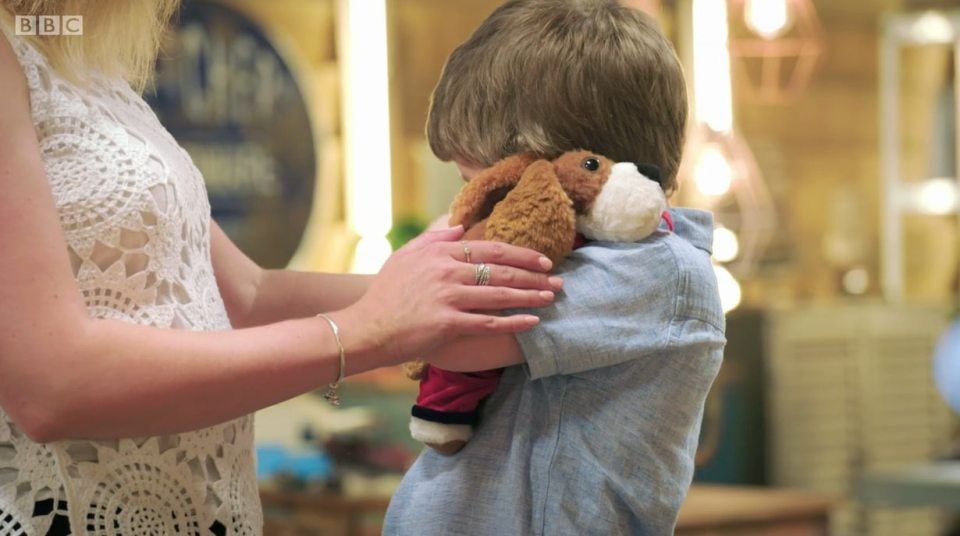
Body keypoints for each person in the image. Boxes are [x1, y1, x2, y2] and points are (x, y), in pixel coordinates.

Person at [0, 2, 563, 535]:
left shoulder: (84, 66)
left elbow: (246, 294)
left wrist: (456, 284)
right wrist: (369, 330)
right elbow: (52, 385)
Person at [383, 1, 725, 534]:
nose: (479, 212)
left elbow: (441, 334)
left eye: (489, 191)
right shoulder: (571, 258)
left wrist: (450, 235)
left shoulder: (660, 272)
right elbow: (393, 304)